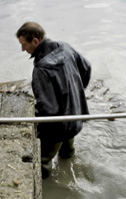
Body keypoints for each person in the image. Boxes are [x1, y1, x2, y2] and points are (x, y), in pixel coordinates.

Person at [16, 22, 92, 178]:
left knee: (41, 161)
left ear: (35, 41)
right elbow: (87, 68)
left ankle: (46, 187)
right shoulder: (65, 47)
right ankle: (68, 171)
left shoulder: (41, 68)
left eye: (24, 44)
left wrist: (30, 120)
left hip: (57, 126)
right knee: (67, 151)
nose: (23, 49)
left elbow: (48, 109)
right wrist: (76, 95)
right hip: (75, 115)